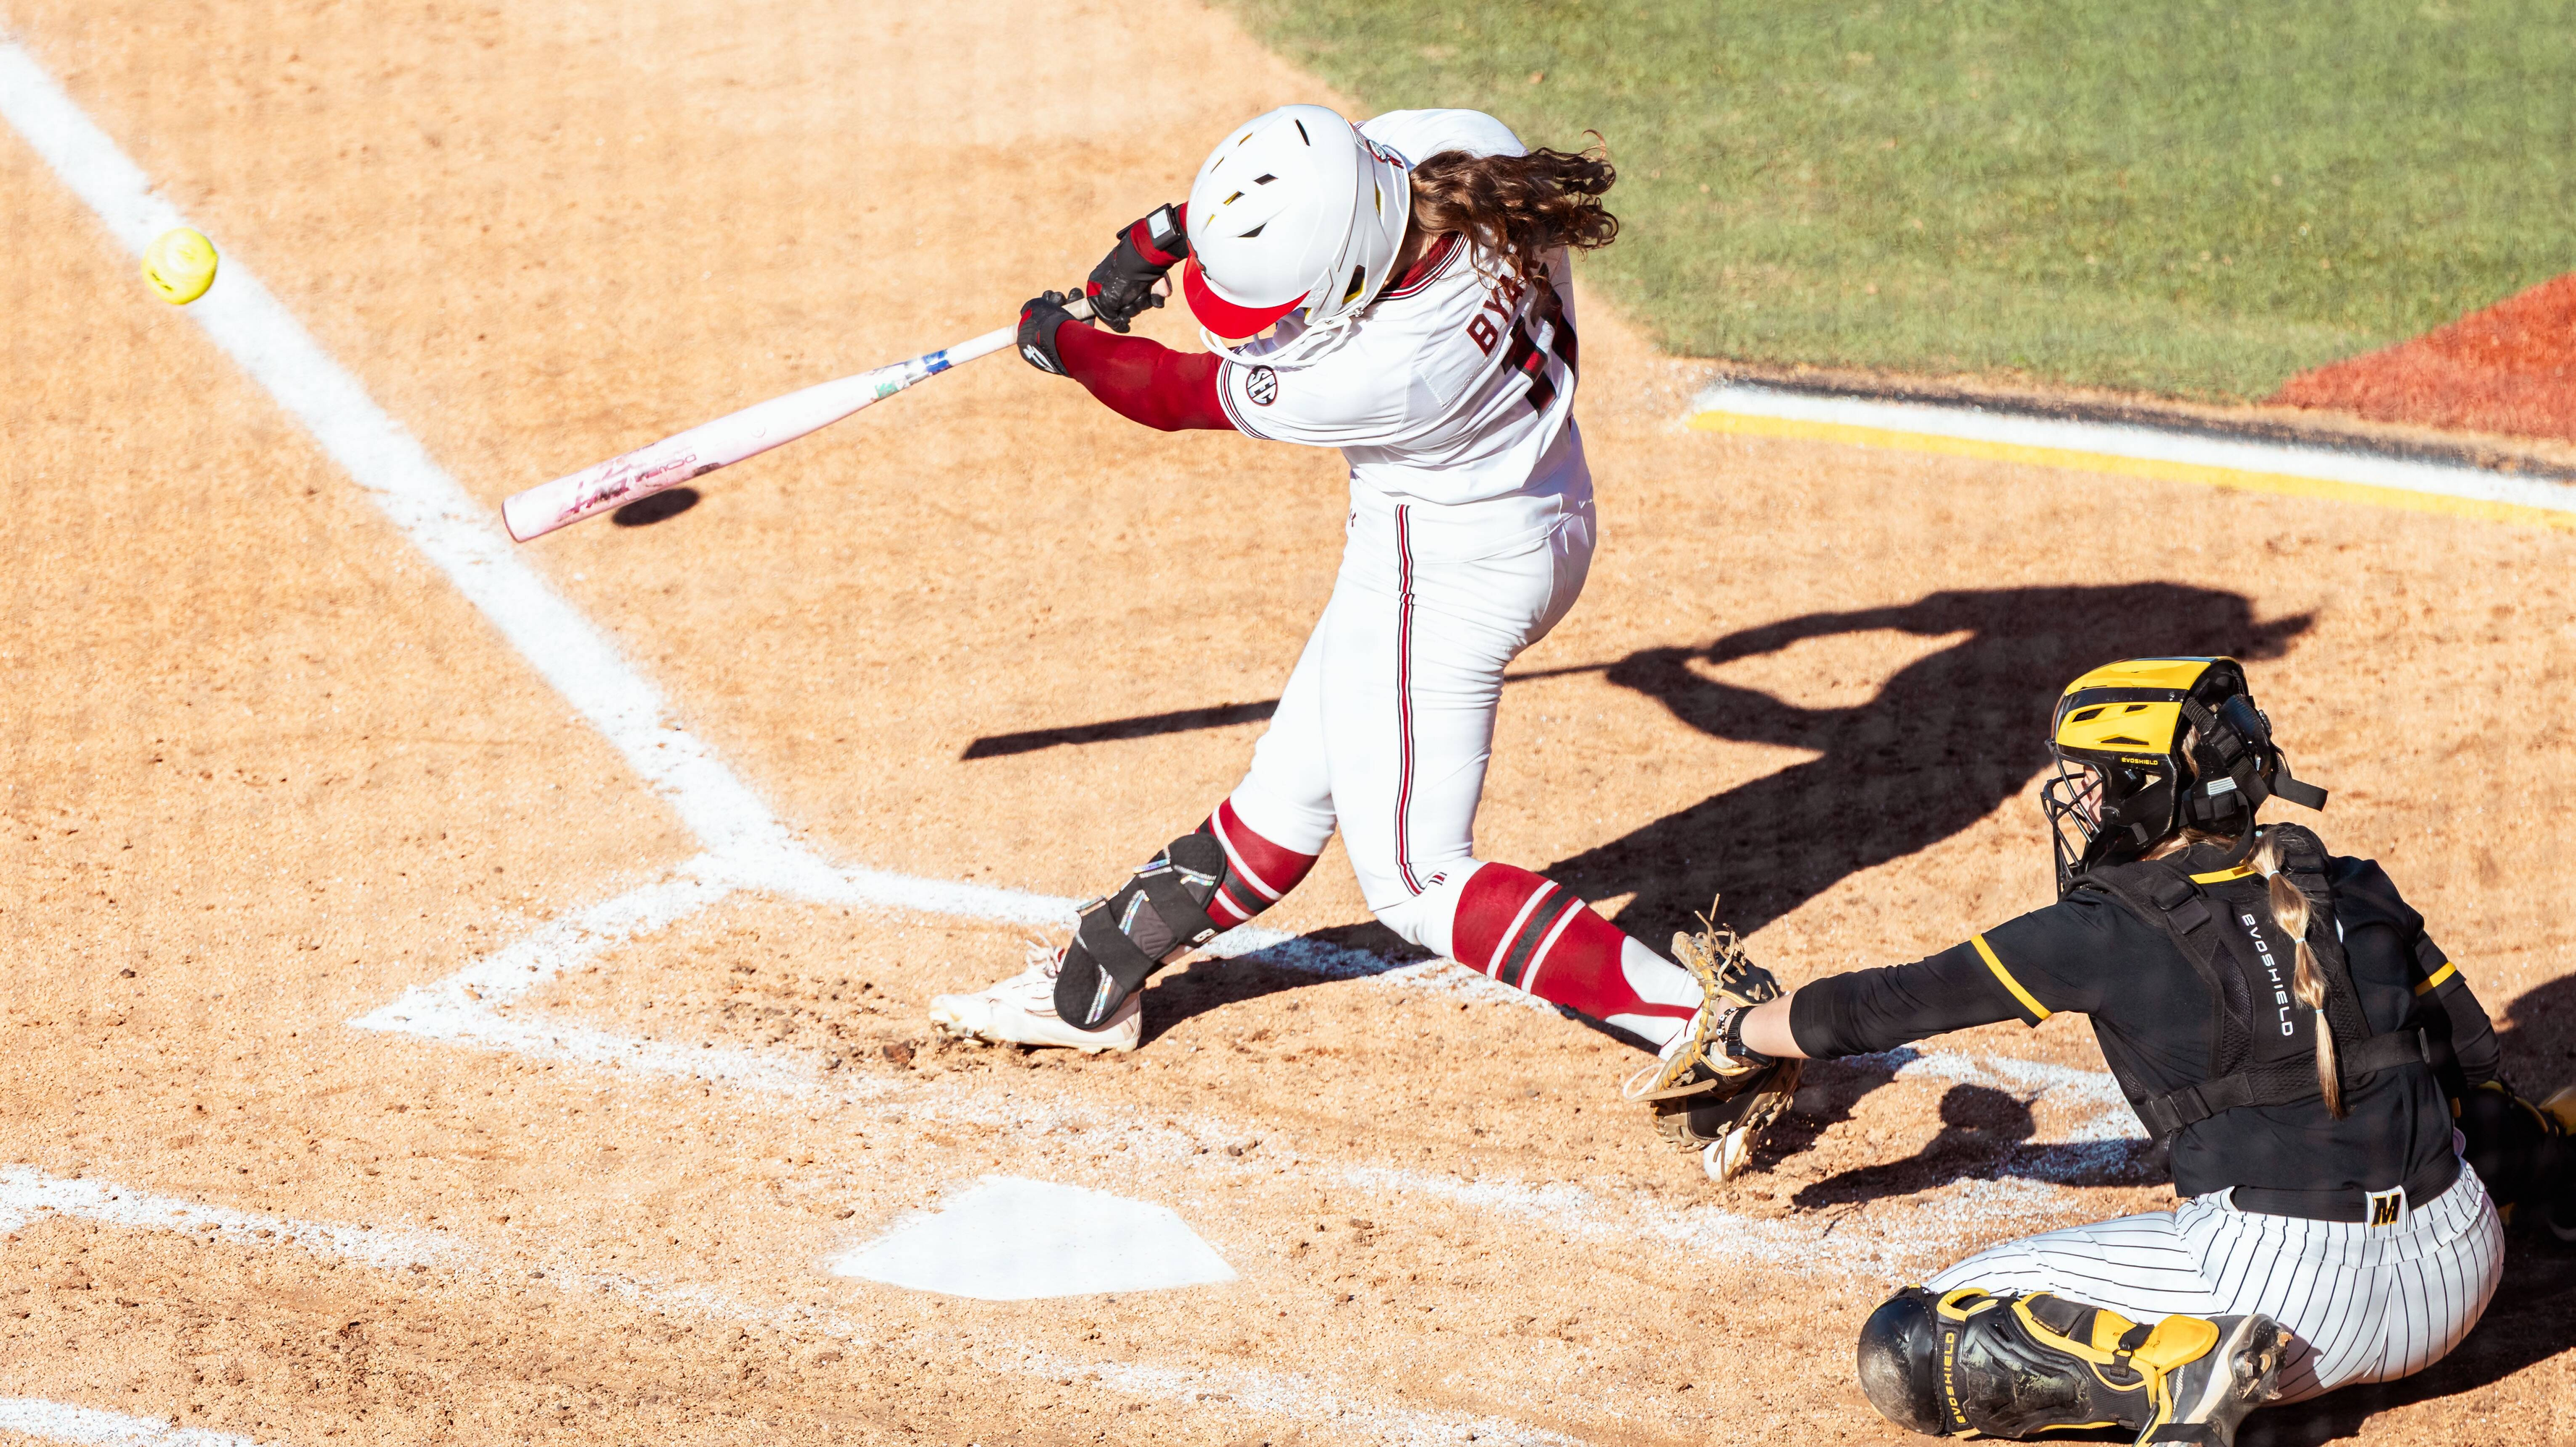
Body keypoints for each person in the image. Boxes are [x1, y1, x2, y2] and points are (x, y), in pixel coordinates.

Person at [927, 104, 1750, 1102]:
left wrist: (1061, 342)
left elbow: (1169, 391)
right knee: (1289, 792)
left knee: (1414, 881)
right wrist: (1167, 235)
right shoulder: (1460, 147)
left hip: (1443, 575)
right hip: (1538, 507)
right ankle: (1097, 981)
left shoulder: (1380, 369)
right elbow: (1296, 189)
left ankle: (1704, 1025)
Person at [1645, 656, 2564, 1444]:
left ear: (2145, 788)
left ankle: (2171, 1368)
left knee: (1917, 1335)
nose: (2077, 799)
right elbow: (2473, 1066)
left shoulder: (2105, 927)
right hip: (2460, 1276)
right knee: (2430, 1104)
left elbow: (1894, 1000)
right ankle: (2562, 1166)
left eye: (2089, 777)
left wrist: (1737, 1032)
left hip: (2289, 1308)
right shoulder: (2355, 882)